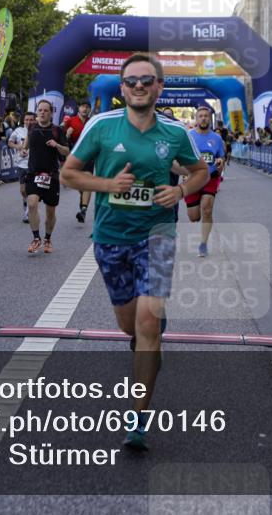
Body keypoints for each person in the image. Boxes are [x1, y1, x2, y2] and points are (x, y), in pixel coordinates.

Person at [60, 53, 209, 451]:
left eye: (147, 80)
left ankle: (138, 417)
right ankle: (148, 337)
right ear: (122, 88)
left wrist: (179, 190)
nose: (139, 86)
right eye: (131, 81)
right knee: (130, 326)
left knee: (145, 323)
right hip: (110, 237)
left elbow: (200, 173)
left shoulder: (175, 133)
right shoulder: (101, 127)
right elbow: (68, 173)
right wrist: (109, 186)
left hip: (157, 236)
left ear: (160, 87)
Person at [23, 100, 69, 253]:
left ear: (51, 113)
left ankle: (48, 239)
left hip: (51, 176)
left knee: (50, 212)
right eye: (40, 110)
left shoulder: (57, 130)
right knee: (32, 204)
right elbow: (26, 144)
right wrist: (23, 150)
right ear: (37, 112)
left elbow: (66, 151)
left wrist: (57, 145)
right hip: (33, 174)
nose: (42, 113)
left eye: (45, 110)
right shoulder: (31, 127)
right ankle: (36, 238)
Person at [184, 104, 226, 257]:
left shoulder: (216, 137)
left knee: (207, 209)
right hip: (192, 178)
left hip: (210, 177)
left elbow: (221, 156)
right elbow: (180, 155)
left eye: (206, 116)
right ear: (196, 119)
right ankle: (196, 216)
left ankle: (203, 244)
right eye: (200, 116)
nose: (203, 118)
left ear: (210, 119)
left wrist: (221, 161)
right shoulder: (189, 135)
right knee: (194, 217)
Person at [64, 100, 94, 223]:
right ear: (78, 108)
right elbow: (62, 139)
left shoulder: (93, 122)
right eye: (83, 107)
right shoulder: (70, 121)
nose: (85, 109)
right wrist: (67, 134)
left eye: (87, 107)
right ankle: (83, 199)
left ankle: (83, 210)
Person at [8, 111, 34, 222]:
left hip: (33, 164)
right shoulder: (18, 131)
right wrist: (18, 147)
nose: (29, 122)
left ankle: (28, 213)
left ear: (35, 120)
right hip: (21, 164)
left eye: (31, 119)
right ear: (23, 121)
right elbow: (10, 142)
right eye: (27, 119)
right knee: (23, 190)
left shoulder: (37, 131)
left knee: (31, 190)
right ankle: (25, 201)